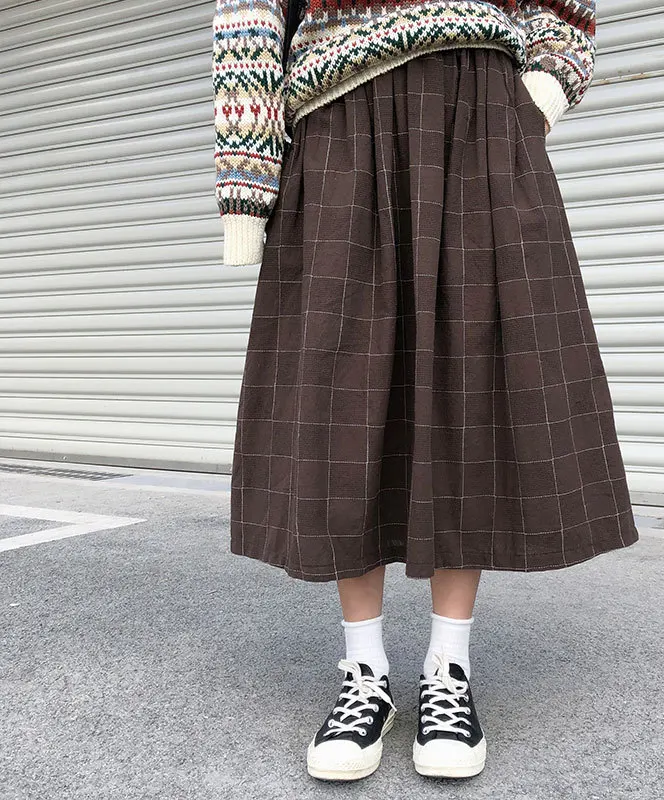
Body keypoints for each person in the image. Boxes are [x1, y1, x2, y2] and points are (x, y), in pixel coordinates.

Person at [212, 0, 638, 781]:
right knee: (342, 401)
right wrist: (246, 186)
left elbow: (565, 12)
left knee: (467, 386)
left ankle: (449, 666)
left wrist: (539, 93)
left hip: (478, 111)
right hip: (340, 118)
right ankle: (364, 671)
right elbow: (248, 14)